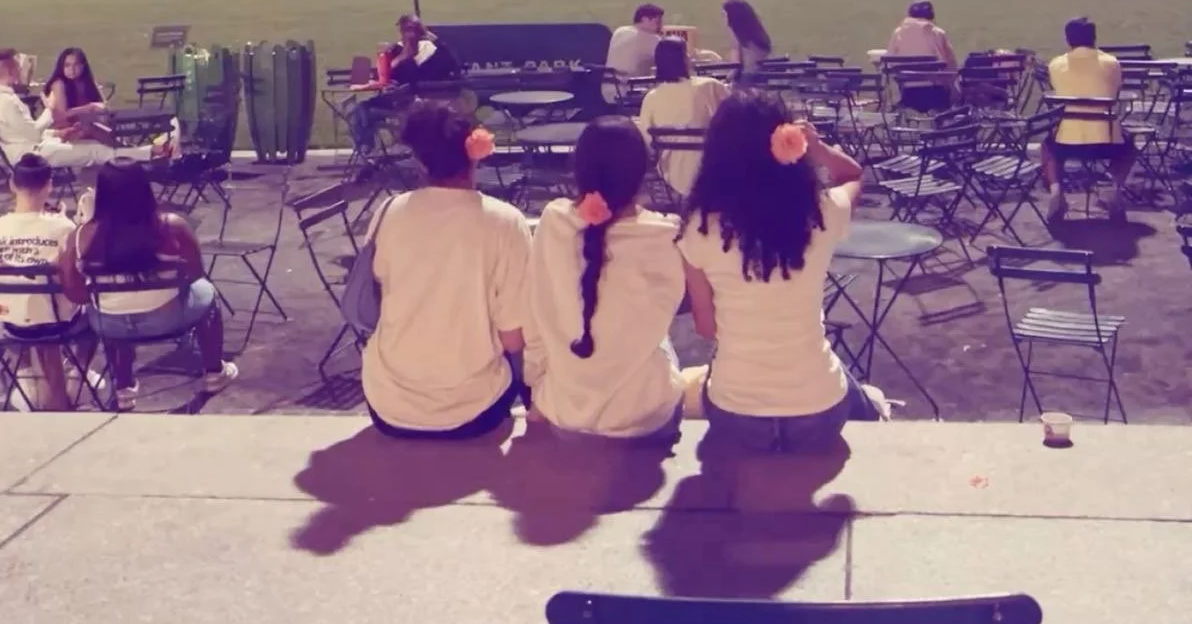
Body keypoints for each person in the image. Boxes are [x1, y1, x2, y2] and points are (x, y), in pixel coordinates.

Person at [677, 92, 884, 453]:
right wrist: (816, 147)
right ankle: (876, 410)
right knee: (854, 388)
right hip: (820, 409)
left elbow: (706, 328)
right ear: (788, 142)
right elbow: (852, 174)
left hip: (735, 414)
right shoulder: (821, 211)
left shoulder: (699, 227)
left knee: (702, 381)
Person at [362, 99, 533, 439]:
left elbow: (379, 289)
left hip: (387, 406)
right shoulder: (505, 221)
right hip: (474, 411)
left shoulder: (389, 212)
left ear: (419, 159)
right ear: (475, 151)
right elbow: (514, 335)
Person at [524, 117, 687, 440]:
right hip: (645, 415)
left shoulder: (553, 221)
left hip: (563, 409)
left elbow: (534, 318)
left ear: (579, 168)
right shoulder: (666, 234)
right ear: (642, 172)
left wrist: (540, 391)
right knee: (662, 340)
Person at [57, 162, 237, 410]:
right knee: (208, 293)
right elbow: (196, 274)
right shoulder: (172, 225)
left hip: (111, 324)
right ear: (144, 188)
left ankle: (124, 388)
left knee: (110, 311)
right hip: (170, 317)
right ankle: (214, 373)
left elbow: (76, 295)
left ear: (102, 193)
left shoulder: (79, 236)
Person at [0, 154, 89, 411]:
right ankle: (75, 379)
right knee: (95, 316)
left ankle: (25, 374)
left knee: (21, 307)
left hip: (6, 318)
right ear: (49, 185)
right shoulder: (63, 228)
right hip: (56, 322)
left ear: (12, 184)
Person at [0, 50, 174, 170]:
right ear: (11, 69)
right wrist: (50, 109)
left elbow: (24, 133)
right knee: (95, 150)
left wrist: (58, 133)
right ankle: (151, 152)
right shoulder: (6, 100)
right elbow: (32, 135)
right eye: (19, 65)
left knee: (96, 145)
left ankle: (147, 153)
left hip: (32, 147)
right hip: (31, 155)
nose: (23, 68)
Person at [1043, 16, 1135, 220]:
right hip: (1109, 142)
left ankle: (1057, 191)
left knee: (1047, 146)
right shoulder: (1112, 63)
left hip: (1066, 143)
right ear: (1094, 37)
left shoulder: (1056, 65)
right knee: (1130, 146)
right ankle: (1111, 183)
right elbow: (1116, 91)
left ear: (1068, 39)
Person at [350, 15, 459, 155]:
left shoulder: (417, 52)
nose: (406, 34)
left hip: (408, 103)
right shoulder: (432, 51)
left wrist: (400, 57)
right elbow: (382, 76)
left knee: (363, 108)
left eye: (407, 30)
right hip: (419, 101)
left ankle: (365, 146)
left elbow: (385, 76)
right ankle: (366, 146)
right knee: (365, 108)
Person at [638, 38, 729, 199]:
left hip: (672, 174)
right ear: (683, 60)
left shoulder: (652, 98)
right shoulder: (709, 86)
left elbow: (647, 142)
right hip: (715, 169)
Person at [885, 0, 957, 112]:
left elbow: (890, 63)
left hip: (908, 91)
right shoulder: (937, 33)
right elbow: (951, 64)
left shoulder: (897, 33)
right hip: (935, 93)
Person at [41, 47, 111, 143]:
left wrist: (99, 108)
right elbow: (62, 115)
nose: (72, 70)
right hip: (66, 131)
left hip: (86, 126)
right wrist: (89, 108)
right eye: (67, 66)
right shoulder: (59, 84)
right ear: (61, 67)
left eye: (76, 65)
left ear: (83, 66)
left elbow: (104, 106)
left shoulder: (87, 82)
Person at [604, 3, 665, 101]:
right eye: (657, 22)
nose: (660, 26)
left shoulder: (620, 31)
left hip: (607, 90)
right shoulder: (653, 40)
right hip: (628, 91)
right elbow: (670, 62)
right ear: (644, 19)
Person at [722, 0, 773, 78]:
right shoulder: (757, 36)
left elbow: (737, 68)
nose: (724, 19)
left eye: (725, 15)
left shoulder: (742, 40)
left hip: (748, 80)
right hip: (757, 78)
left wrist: (726, 81)